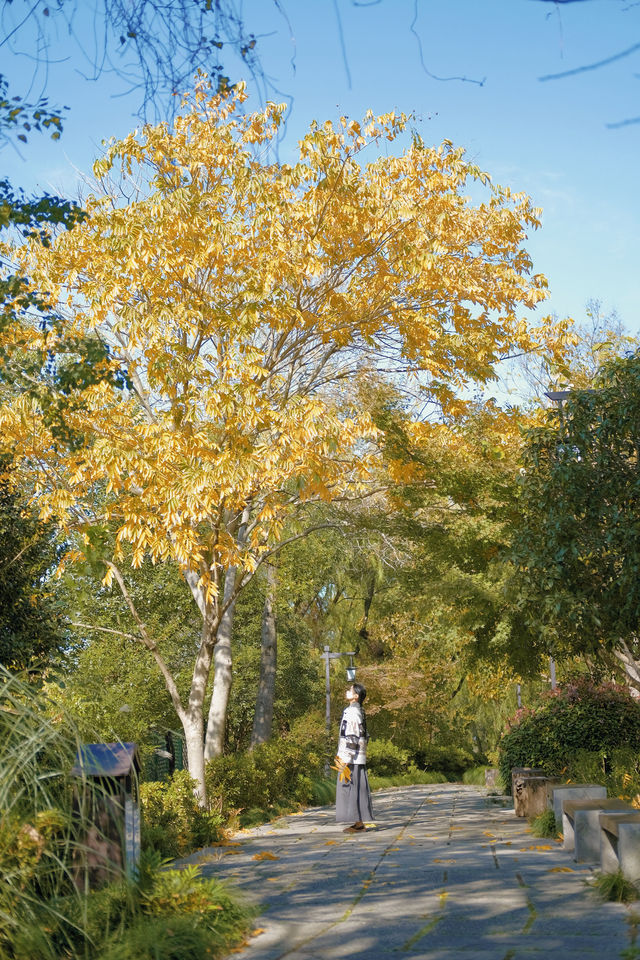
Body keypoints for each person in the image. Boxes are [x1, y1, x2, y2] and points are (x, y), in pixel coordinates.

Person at [333, 681, 374, 833]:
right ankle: (359, 823)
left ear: (356, 696)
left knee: (351, 788)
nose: (347, 691)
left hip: (351, 758)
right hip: (357, 757)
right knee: (357, 789)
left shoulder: (352, 712)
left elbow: (352, 736)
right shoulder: (358, 711)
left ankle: (359, 823)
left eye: (350, 690)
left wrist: (346, 758)